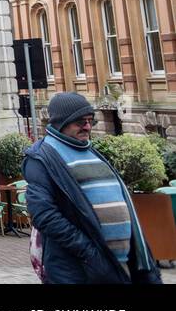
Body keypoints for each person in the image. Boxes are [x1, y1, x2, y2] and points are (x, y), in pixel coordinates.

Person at [23, 93, 163, 284]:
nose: (87, 126)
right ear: (61, 123)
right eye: (80, 122)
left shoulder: (91, 151)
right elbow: (44, 215)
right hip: (81, 270)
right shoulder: (42, 158)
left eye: (90, 121)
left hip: (120, 265)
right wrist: (90, 253)